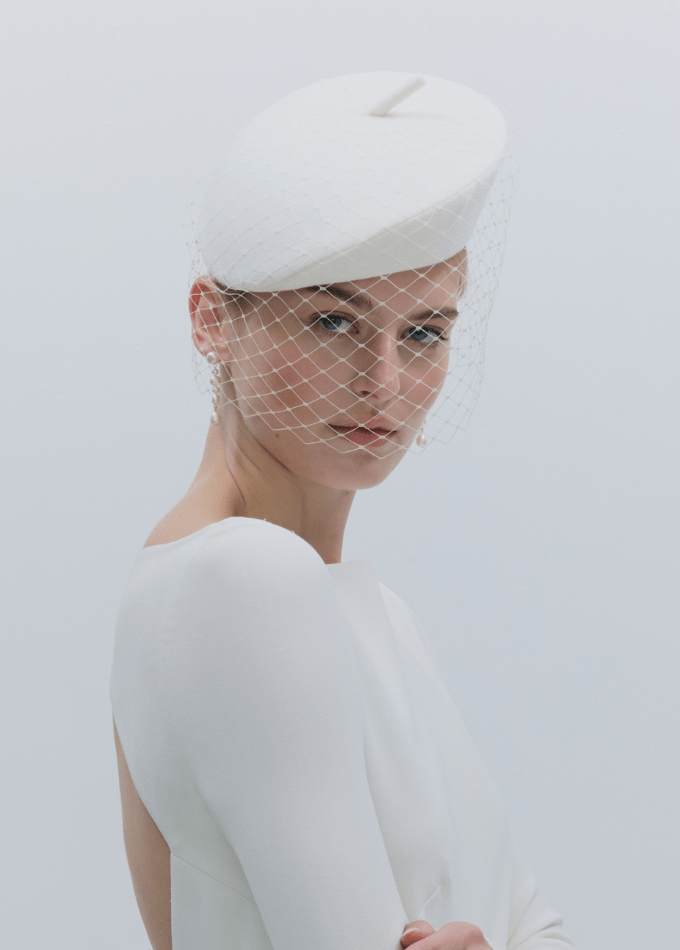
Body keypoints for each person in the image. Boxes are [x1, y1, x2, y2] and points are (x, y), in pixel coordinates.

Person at [111, 72, 575, 950]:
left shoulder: (366, 612)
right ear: (211, 318)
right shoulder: (241, 581)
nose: (387, 383)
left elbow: (534, 920)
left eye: (427, 332)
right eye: (333, 322)